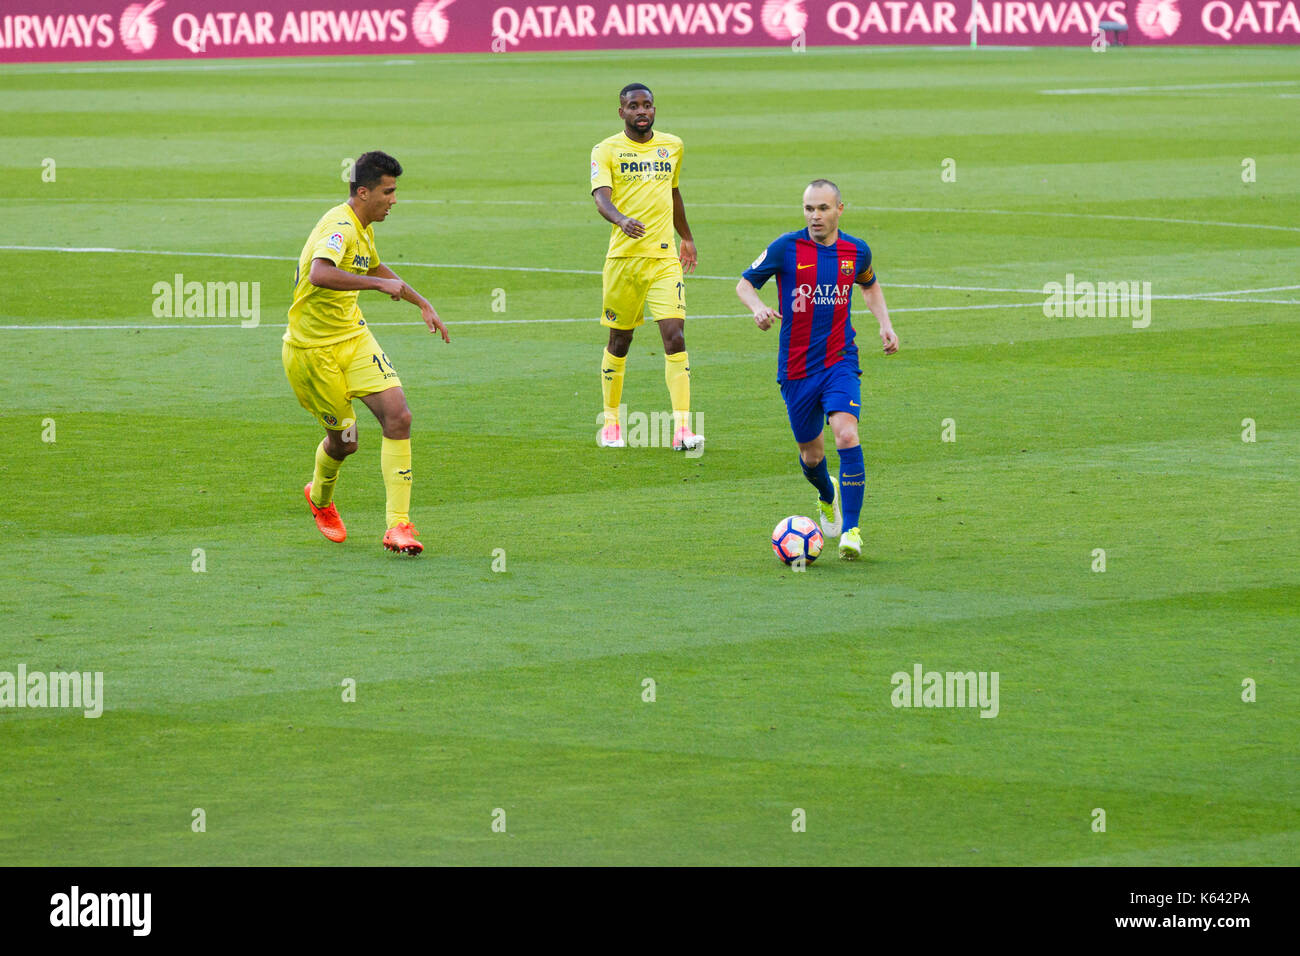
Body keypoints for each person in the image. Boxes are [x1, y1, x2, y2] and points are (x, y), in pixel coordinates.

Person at [282, 150, 449, 555]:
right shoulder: (339, 225)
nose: (394, 200)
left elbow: (374, 268)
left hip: (353, 339)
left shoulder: (363, 226)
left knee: (399, 415)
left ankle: (399, 527)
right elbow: (319, 273)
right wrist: (376, 288)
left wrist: (421, 301)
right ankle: (319, 497)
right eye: (388, 192)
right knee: (345, 442)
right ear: (363, 192)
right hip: (312, 352)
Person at [735, 180, 899, 560]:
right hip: (796, 370)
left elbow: (869, 285)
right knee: (811, 455)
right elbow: (745, 284)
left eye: (823, 208)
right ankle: (827, 494)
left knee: (846, 433)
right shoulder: (785, 247)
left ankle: (853, 530)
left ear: (840, 209)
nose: (815, 216)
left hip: (841, 359)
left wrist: (885, 324)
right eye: (809, 208)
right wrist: (758, 308)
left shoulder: (856, 251)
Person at [589, 82, 703, 451]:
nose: (642, 111)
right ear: (620, 111)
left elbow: (673, 192)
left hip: (664, 259)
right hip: (623, 260)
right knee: (620, 341)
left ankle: (683, 429)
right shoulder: (606, 150)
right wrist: (621, 220)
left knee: (675, 336)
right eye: (633, 106)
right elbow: (600, 197)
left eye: (648, 105)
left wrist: (685, 236)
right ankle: (610, 424)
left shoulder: (673, 146)